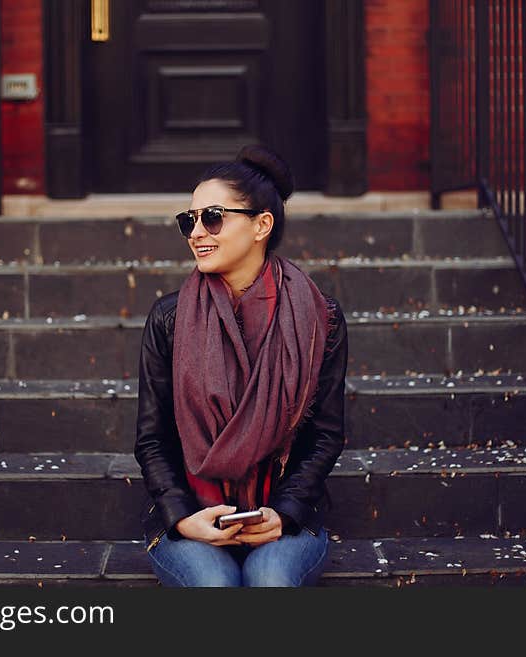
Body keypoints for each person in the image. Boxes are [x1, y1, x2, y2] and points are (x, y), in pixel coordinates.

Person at [134, 144, 348, 587]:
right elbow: (152, 439)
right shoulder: (169, 320)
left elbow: (325, 435)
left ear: (261, 226)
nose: (196, 232)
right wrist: (181, 517)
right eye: (188, 220)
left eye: (212, 217)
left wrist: (285, 513)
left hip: (284, 516)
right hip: (192, 514)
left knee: (270, 580)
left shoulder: (318, 318)